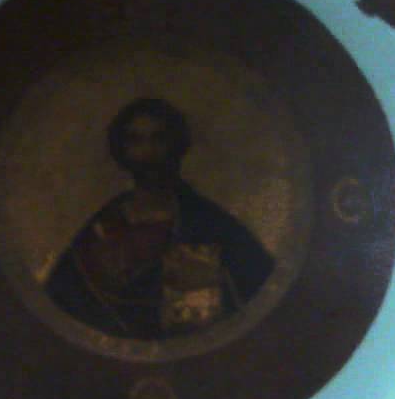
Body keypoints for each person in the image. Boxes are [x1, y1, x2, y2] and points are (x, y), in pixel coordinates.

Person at [45, 97, 274, 339]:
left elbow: (259, 290)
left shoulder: (210, 223)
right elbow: (62, 301)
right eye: (135, 140)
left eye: (159, 139)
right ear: (121, 151)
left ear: (176, 146)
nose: (148, 152)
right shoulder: (103, 226)